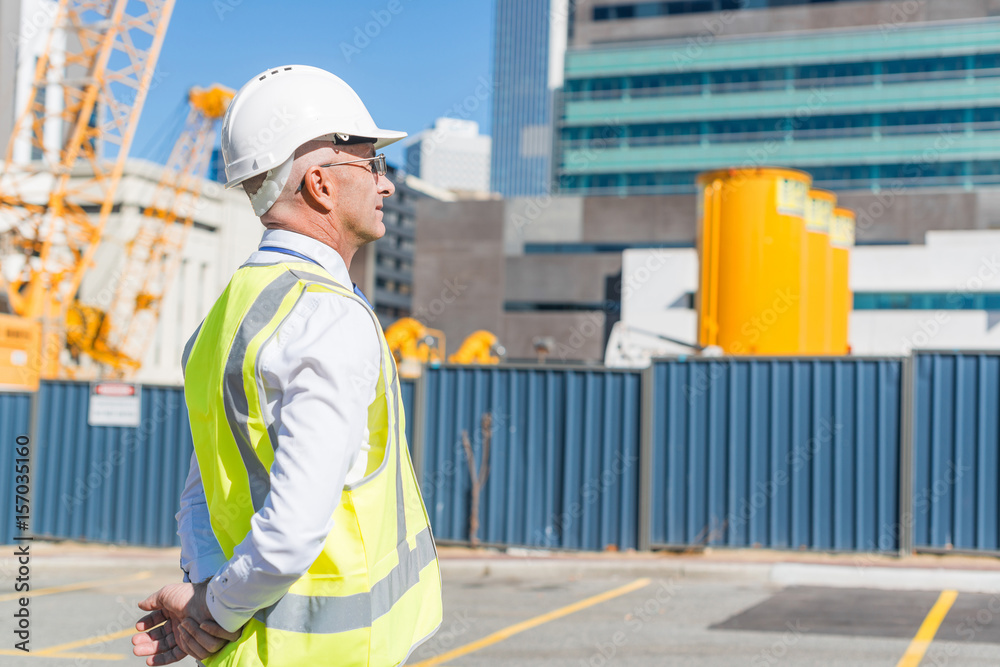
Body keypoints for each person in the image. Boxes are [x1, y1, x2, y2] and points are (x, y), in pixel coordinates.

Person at [131, 64, 443, 667]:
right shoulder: (329, 316)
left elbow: (203, 496)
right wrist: (211, 612)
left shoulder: (221, 320)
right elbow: (292, 532)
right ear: (321, 185)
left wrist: (203, 604)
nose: (388, 186)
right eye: (373, 164)